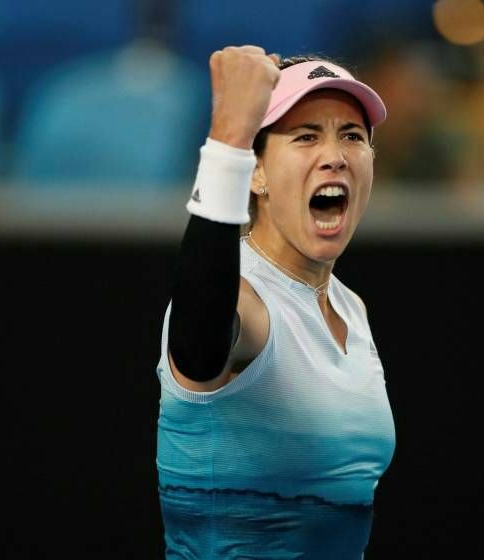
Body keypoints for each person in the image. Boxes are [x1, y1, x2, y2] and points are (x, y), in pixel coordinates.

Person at [154, 46, 396, 558]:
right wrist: (228, 140)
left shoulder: (352, 310)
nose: (334, 155)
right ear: (256, 174)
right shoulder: (245, 303)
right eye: (306, 136)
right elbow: (200, 348)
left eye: (352, 136)